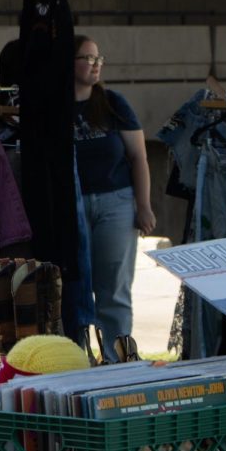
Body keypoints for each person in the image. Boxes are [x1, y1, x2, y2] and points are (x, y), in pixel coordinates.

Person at [71, 34, 155, 358]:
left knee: (113, 289)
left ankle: (118, 358)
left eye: (98, 59)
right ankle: (76, 357)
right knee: (75, 289)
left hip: (116, 203)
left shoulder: (112, 103)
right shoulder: (55, 106)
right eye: (88, 58)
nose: (95, 65)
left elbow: (139, 157)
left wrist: (144, 206)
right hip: (73, 203)